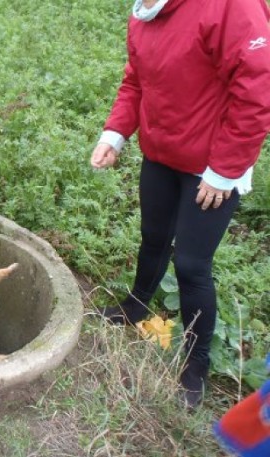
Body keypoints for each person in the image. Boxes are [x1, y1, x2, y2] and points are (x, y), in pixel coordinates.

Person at [90, 0, 270, 407]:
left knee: (190, 265)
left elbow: (258, 89)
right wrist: (114, 134)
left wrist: (224, 168)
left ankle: (196, 362)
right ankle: (136, 306)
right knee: (153, 237)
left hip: (211, 165)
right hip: (162, 151)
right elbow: (136, 81)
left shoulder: (229, 7)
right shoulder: (143, 12)